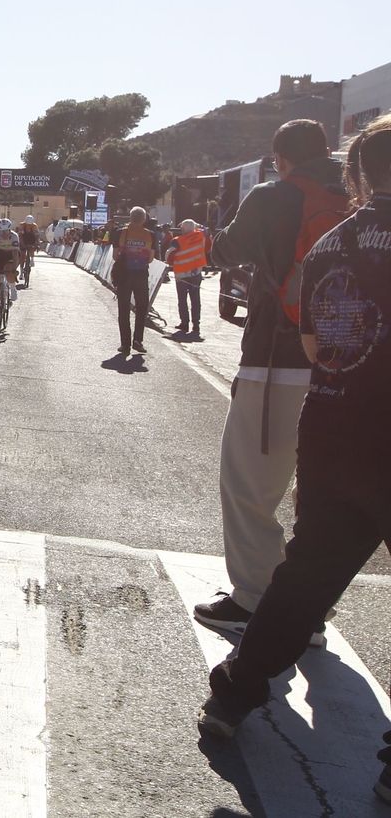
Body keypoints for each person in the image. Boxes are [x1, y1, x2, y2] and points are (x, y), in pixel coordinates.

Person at [196, 118, 391, 806]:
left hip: (332, 423)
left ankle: (234, 694)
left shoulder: (333, 241)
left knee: (304, 572)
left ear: (360, 176)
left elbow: (315, 341)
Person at [193, 119, 350, 642]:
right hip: (348, 368)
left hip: (277, 358)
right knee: (322, 497)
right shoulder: (359, 197)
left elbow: (222, 252)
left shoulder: (271, 195)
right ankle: (308, 609)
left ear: (280, 158)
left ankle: (256, 601)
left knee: (250, 486)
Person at [111, 207, 155, 353]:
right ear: (144, 219)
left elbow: (115, 256)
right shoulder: (150, 235)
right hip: (141, 275)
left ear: (130, 218)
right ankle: (138, 341)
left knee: (123, 309)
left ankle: (125, 344)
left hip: (124, 275)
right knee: (141, 309)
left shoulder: (120, 233)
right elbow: (150, 259)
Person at [167, 218, 209, 335]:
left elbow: (168, 254)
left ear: (183, 229)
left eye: (182, 227)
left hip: (181, 275)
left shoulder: (177, 241)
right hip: (196, 273)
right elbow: (205, 230)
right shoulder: (201, 236)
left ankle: (184, 323)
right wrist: (196, 225)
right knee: (195, 300)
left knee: (182, 300)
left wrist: (170, 263)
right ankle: (196, 325)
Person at [17, 215, 41, 279]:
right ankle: (21, 273)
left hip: (31, 239)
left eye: (30, 225)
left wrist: (37, 244)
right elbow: (20, 236)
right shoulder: (22, 225)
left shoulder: (34, 226)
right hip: (23, 238)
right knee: (22, 256)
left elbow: (37, 236)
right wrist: (22, 244)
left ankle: (32, 259)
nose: (29, 226)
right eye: (27, 224)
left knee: (32, 248)